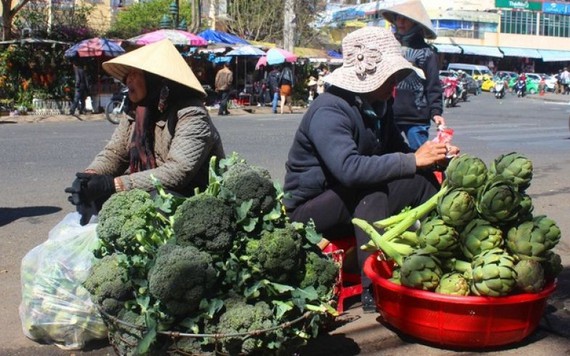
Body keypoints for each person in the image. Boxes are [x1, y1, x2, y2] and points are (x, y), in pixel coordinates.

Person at [283, 27, 459, 312]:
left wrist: (433, 156)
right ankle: (373, 289)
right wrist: (413, 160)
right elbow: (349, 170)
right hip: (310, 210)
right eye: (392, 77)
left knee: (423, 180)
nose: (396, 83)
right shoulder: (330, 110)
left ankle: (443, 254)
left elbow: (399, 151)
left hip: (350, 196)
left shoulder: (380, 105)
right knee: (372, 189)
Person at [65, 39, 225, 222]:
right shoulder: (135, 112)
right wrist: (90, 177)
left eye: (134, 74)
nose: (127, 80)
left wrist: (114, 184)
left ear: (154, 78)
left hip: (196, 198)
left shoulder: (191, 114)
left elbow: (177, 172)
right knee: (96, 196)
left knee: (156, 199)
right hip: (154, 186)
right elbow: (115, 153)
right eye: (127, 76)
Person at [379, 0, 445, 151]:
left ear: (415, 23)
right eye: (397, 17)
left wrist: (436, 112)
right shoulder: (388, 48)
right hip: (389, 113)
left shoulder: (426, 52)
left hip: (417, 117)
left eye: (405, 18)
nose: (400, 22)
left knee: (421, 156)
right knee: (386, 156)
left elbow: (433, 85)